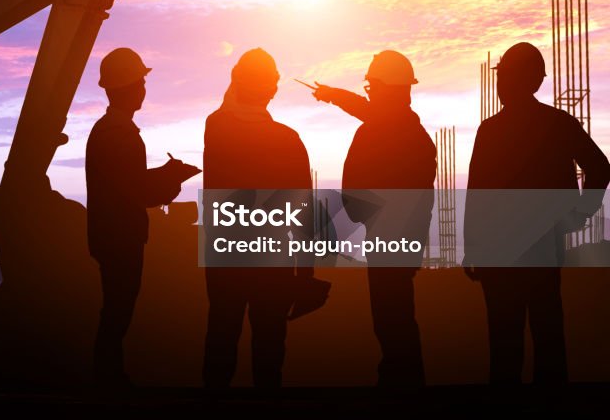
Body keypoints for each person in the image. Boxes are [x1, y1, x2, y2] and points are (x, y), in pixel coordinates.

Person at [464, 42, 609, 385]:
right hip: (542, 243)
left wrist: (473, 245)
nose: (499, 85)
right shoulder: (558, 124)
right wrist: (580, 213)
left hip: (502, 248)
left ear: (519, 80)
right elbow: (600, 168)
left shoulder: (492, 130)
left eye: (505, 78)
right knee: (545, 332)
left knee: (506, 338)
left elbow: (477, 194)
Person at [311, 50, 436, 387]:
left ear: (388, 89)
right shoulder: (413, 134)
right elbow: (368, 110)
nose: (369, 94)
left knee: (391, 317)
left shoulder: (383, 131)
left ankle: (401, 384)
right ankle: (404, 381)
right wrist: (334, 95)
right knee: (396, 316)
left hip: (388, 237)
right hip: (402, 238)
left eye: (372, 87)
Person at [202, 48, 314, 389]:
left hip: (227, 257)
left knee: (222, 341)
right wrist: (305, 275)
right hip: (273, 261)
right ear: (272, 88)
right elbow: (303, 214)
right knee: (268, 352)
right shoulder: (288, 141)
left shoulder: (217, 127)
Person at [86, 47, 196, 389]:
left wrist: (164, 174)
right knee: (118, 311)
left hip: (112, 235)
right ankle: (108, 378)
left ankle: (109, 375)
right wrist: (172, 180)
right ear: (131, 88)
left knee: (117, 309)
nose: (144, 89)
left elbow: (127, 182)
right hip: (120, 237)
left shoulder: (110, 130)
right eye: (141, 82)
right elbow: (137, 192)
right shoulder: (118, 135)